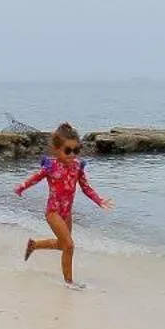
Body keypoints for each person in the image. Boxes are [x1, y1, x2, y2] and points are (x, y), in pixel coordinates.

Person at [15, 122, 113, 289]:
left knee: (63, 245)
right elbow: (36, 178)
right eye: (68, 150)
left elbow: (85, 187)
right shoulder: (51, 166)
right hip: (53, 212)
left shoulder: (77, 167)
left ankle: (34, 245)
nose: (72, 154)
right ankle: (69, 282)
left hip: (66, 213)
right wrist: (21, 188)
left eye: (76, 150)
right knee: (69, 245)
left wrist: (99, 200)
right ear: (56, 150)